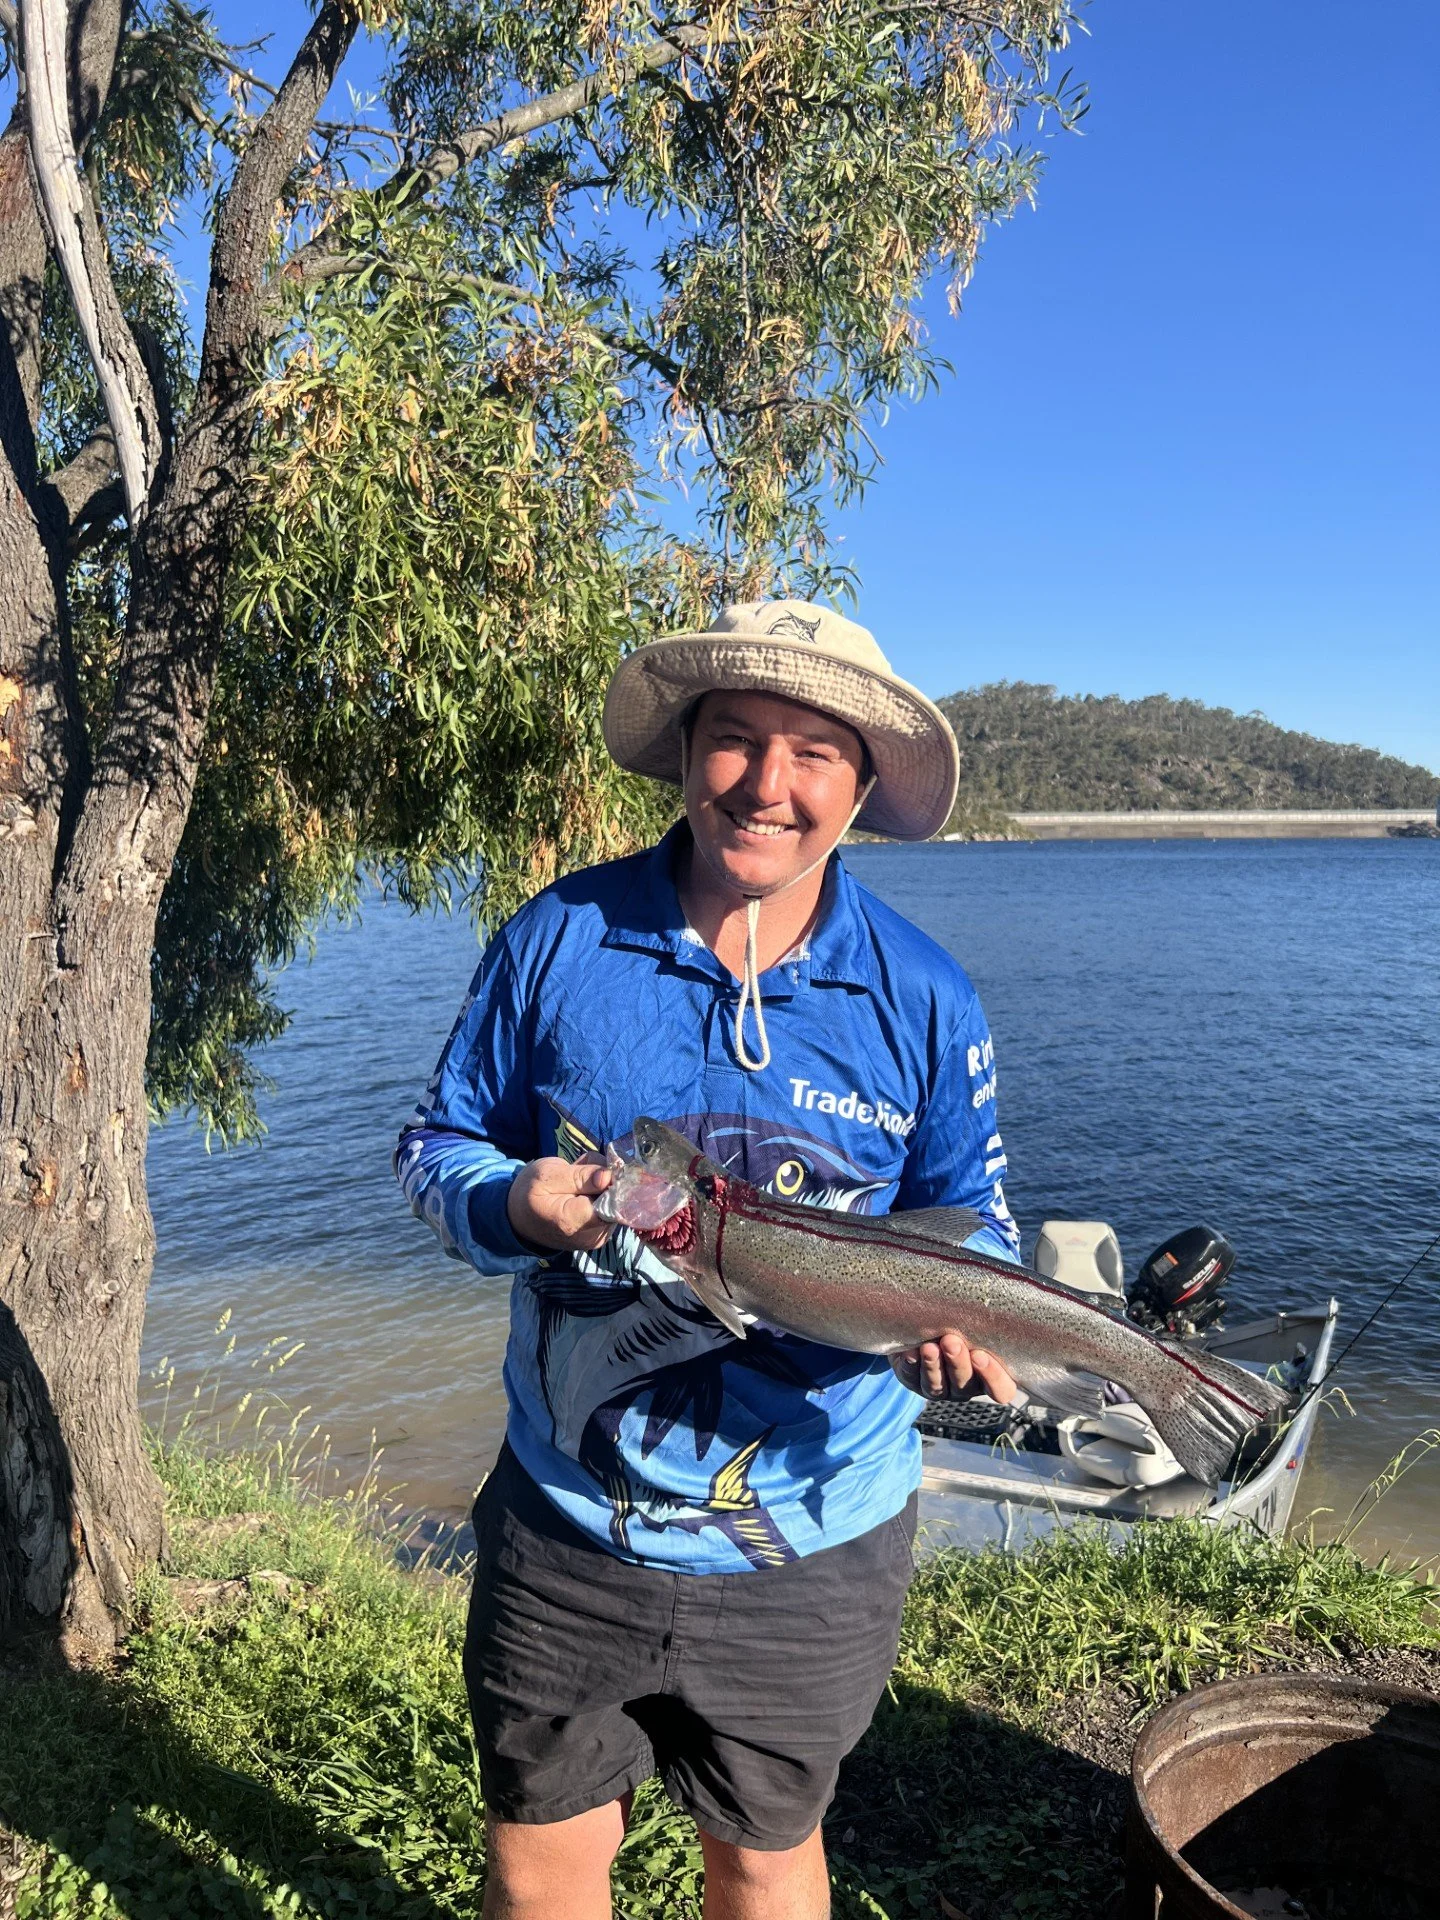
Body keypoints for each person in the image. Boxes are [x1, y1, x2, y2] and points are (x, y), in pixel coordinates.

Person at [396, 601, 1020, 1920]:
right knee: (538, 1851)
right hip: (567, 1521)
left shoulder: (923, 996)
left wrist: (963, 1349)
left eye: (814, 753)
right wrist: (512, 1201)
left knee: (765, 1855)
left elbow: (979, 1221)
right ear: (684, 755)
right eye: (735, 738)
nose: (768, 784)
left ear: (861, 787)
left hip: (816, 1539)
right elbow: (435, 1143)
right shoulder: (556, 939)